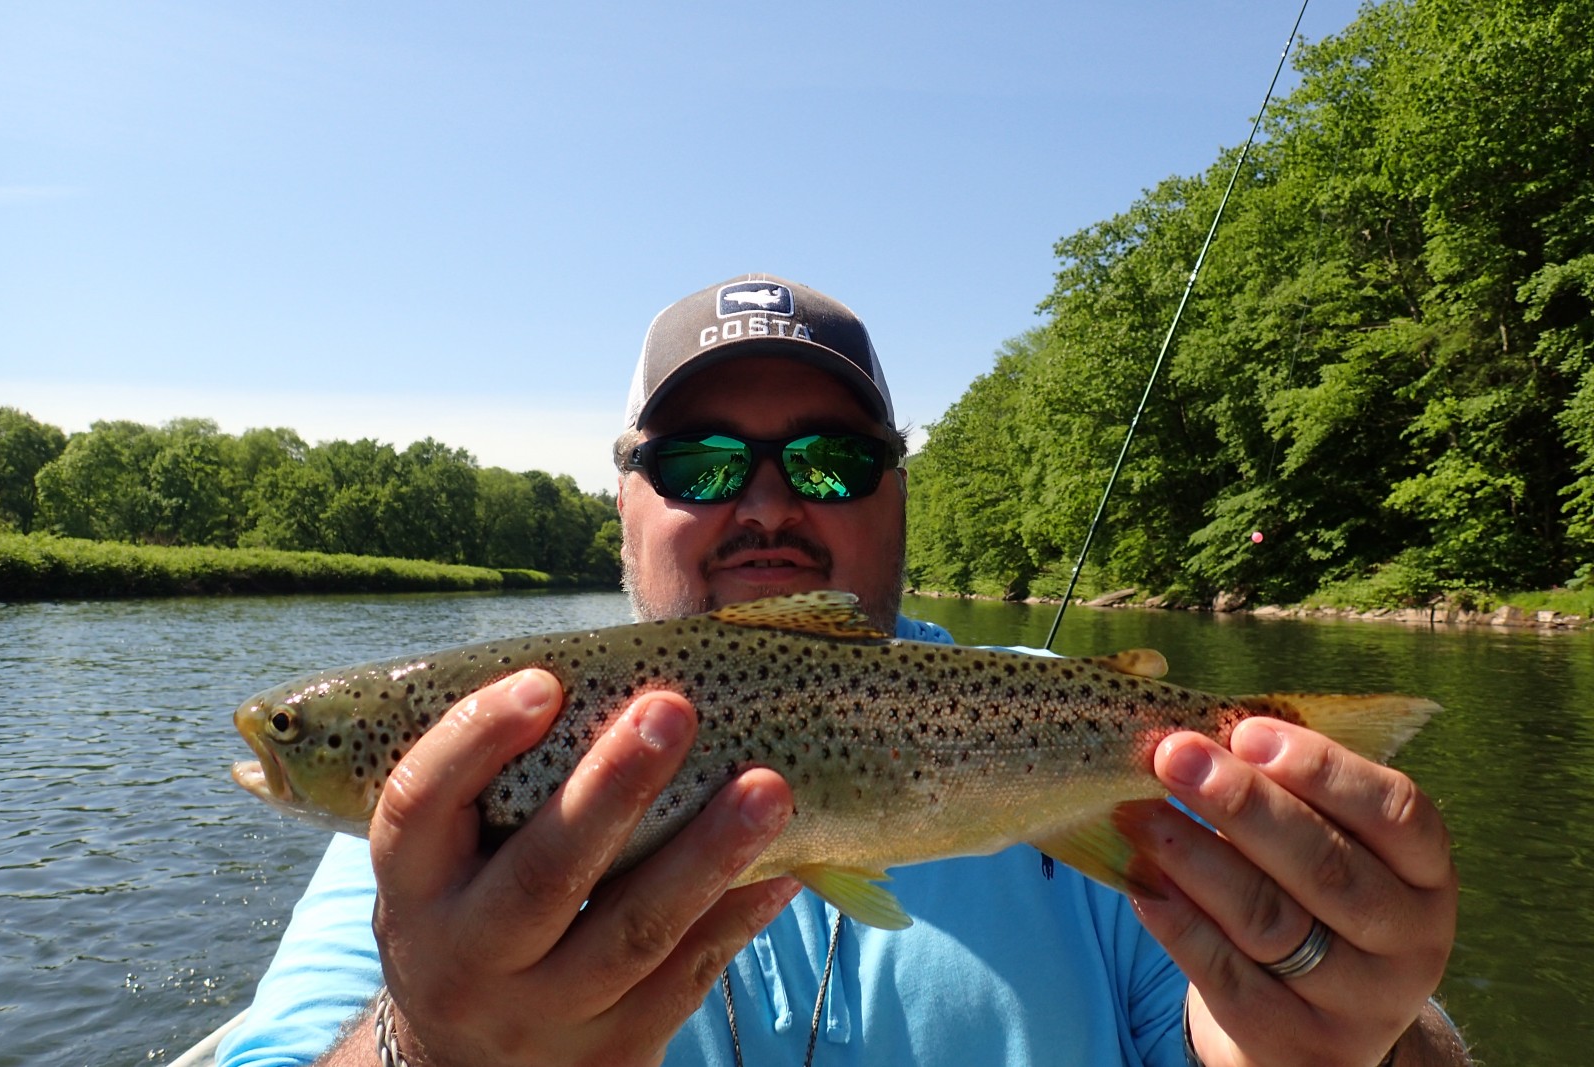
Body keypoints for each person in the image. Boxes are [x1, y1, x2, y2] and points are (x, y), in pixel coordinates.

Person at [219, 274, 1470, 1067]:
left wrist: (1351, 1037)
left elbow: (1232, 1030)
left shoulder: (1086, 726)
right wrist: (428, 1046)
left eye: (828, 461)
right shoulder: (445, 821)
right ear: (625, 496)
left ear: (899, 488)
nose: (765, 503)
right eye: (701, 462)